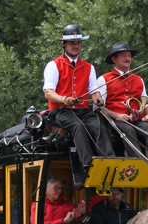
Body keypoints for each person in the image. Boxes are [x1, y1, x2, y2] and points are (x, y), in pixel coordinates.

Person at [43, 24, 113, 186]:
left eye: (78, 43)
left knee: (99, 126)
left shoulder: (89, 67)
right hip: (61, 112)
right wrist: (64, 99)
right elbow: (48, 92)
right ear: (64, 45)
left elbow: (93, 91)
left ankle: (109, 160)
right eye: (72, 43)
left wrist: (97, 99)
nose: (76, 46)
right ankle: (88, 165)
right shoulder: (54, 65)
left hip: (82, 110)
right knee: (78, 126)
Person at [93, 41, 148, 159]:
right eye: (123, 55)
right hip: (115, 121)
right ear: (114, 59)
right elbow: (98, 107)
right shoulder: (104, 79)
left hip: (136, 120)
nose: (127, 58)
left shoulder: (138, 79)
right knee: (128, 129)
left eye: (129, 56)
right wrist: (117, 115)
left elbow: (147, 104)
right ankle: (139, 159)